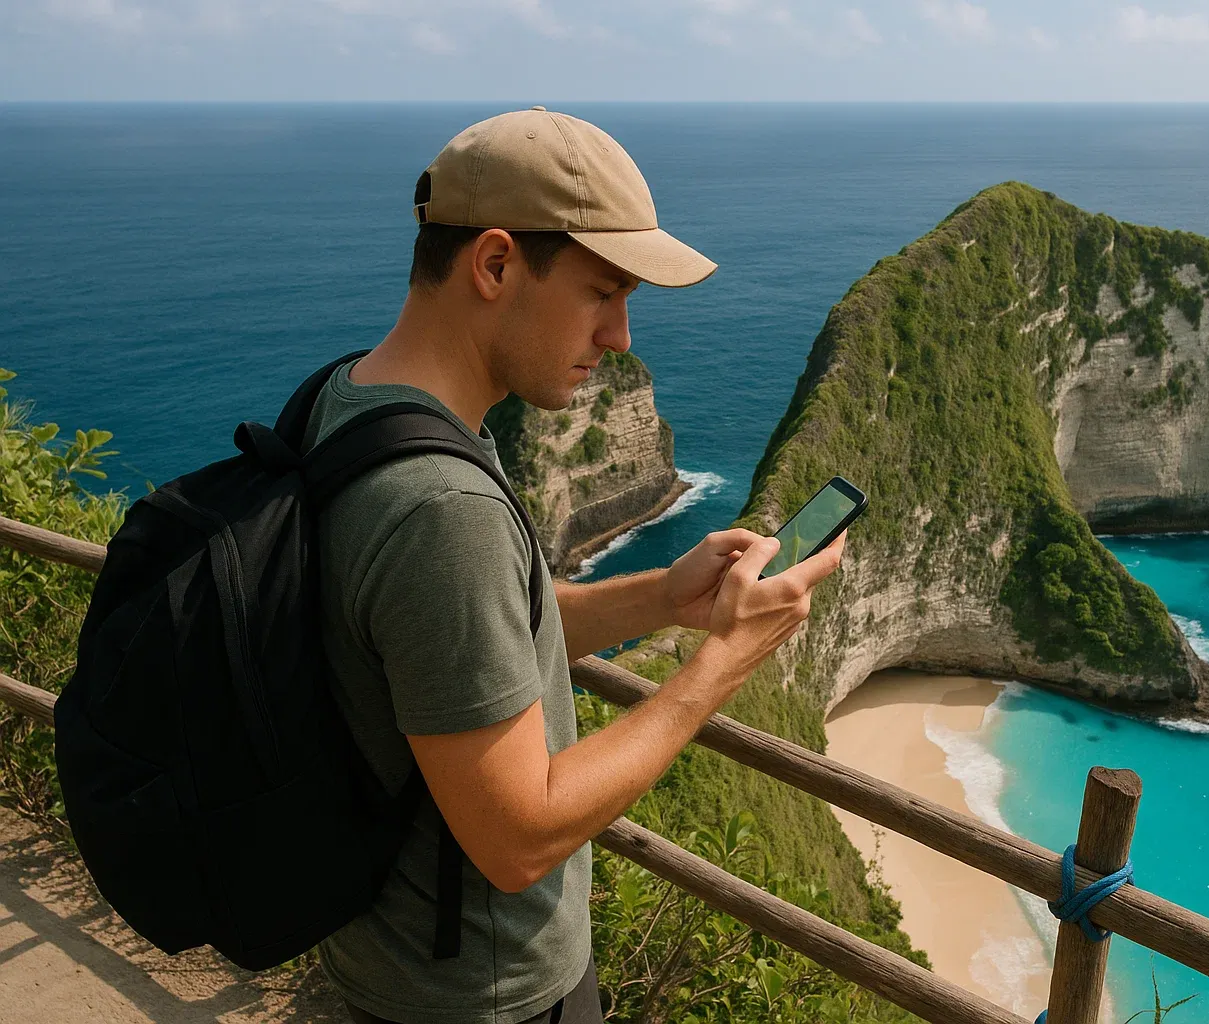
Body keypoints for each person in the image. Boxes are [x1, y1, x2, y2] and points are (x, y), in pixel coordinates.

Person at [297, 107, 843, 1024]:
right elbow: (519, 838)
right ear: (497, 264)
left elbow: (476, 629)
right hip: (481, 996)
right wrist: (721, 667)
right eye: (604, 292)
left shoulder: (355, 400)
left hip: (388, 959)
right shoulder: (444, 507)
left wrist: (666, 599)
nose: (622, 334)